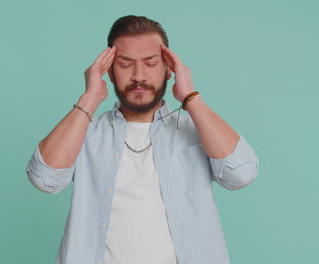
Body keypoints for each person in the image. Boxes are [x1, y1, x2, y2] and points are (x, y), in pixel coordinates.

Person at [26, 15, 259, 264]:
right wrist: (90, 98)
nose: (139, 75)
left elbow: (241, 174)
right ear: (111, 72)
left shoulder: (197, 131)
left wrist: (191, 97)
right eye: (125, 64)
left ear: (169, 69)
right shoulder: (85, 132)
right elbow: (44, 178)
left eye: (150, 63)